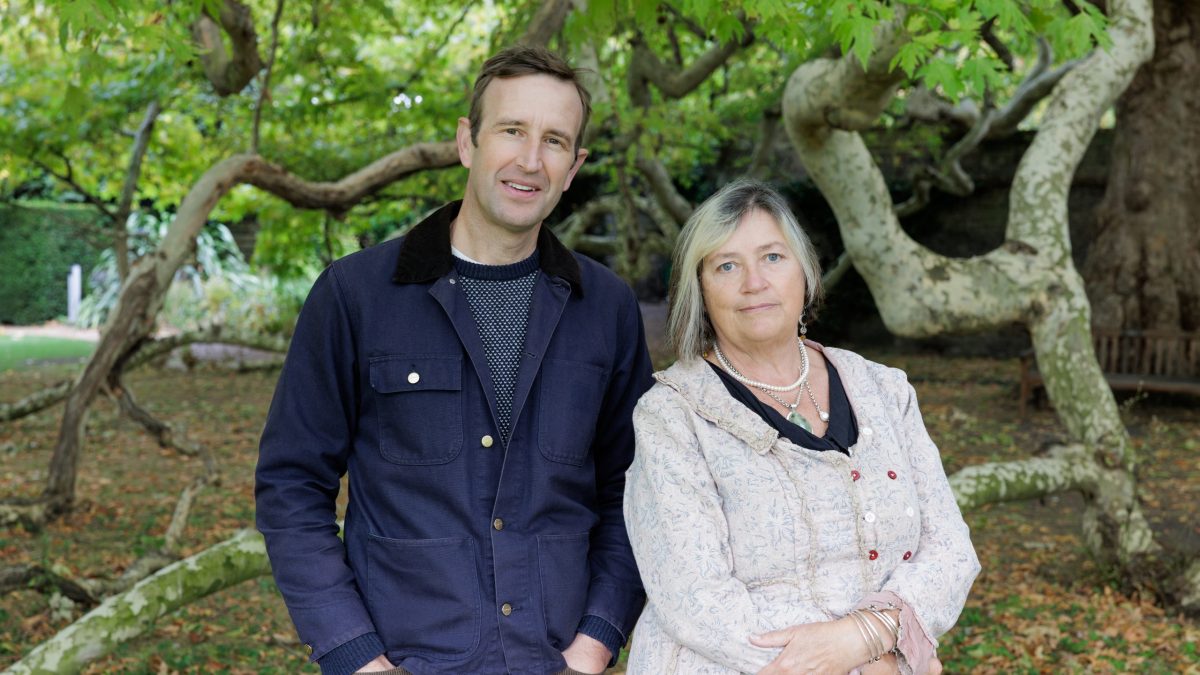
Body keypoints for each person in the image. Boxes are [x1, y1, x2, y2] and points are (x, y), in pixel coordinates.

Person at [255, 46, 653, 675]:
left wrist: (596, 642)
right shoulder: (355, 296)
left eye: (554, 140)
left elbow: (635, 491)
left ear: (574, 167)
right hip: (407, 658)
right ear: (468, 141)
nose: (530, 160)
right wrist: (355, 655)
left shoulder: (604, 307)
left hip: (556, 659)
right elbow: (291, 487)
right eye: (512, 130)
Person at [623, 179, 980, 674]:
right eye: (727, 265)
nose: (754, 282)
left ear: (805, 272)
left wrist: (867, 638)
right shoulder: (672, 416)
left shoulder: (885, 389)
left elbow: (951, 550)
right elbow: (696, 599)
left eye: (773, 257)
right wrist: (869, 666)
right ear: (700, 290)